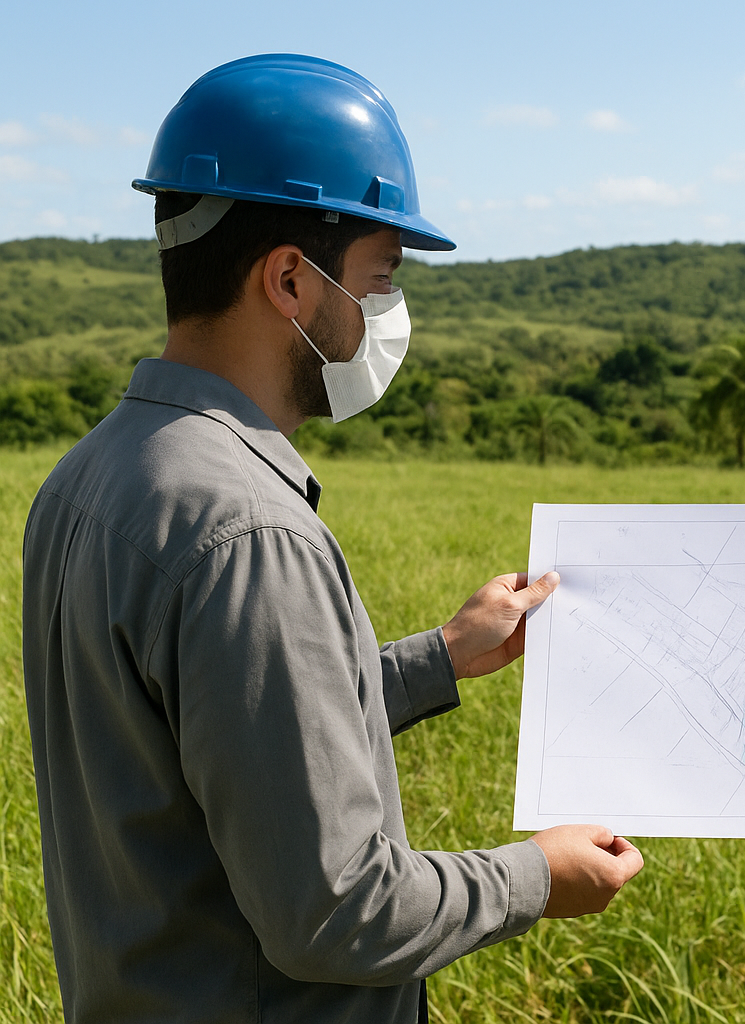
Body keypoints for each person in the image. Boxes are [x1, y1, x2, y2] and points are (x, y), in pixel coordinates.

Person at [21, 54, 642, 1024]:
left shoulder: (89, 477)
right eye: (380, 280)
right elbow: (337, 912)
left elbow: (231, 734)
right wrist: (534, 875)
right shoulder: (250, 530)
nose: (384, 315)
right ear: (289, 281)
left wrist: (437, 658)